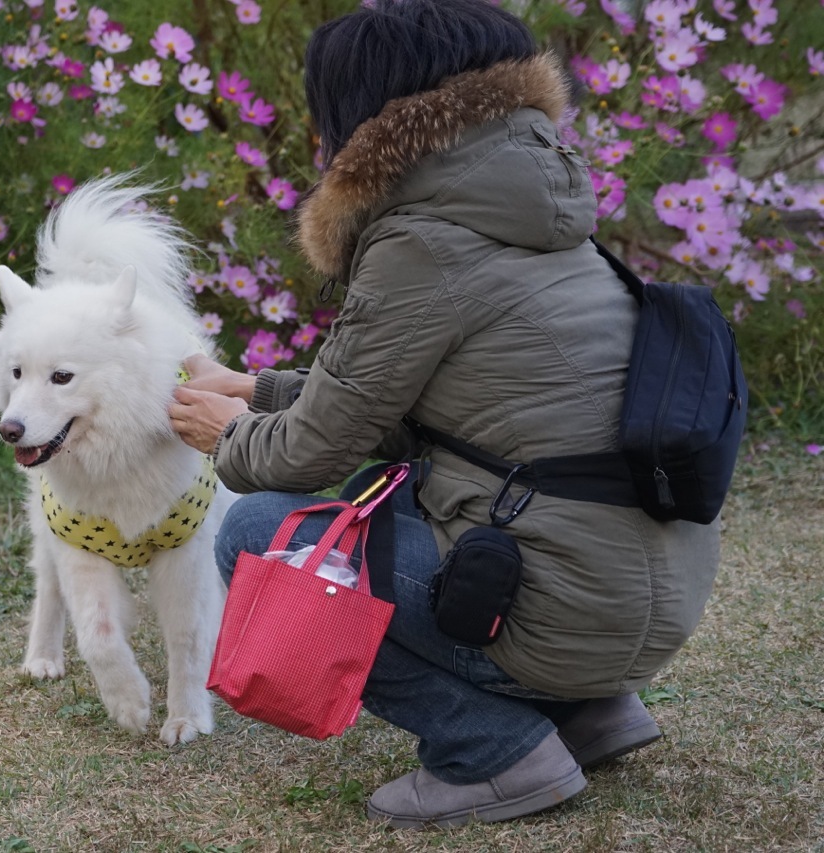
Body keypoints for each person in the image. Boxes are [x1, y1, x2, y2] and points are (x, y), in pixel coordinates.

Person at [168, 0, 720, 830]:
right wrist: (260, 389)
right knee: (441, 494)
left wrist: (230, 438)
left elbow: (308, 456)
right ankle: (590, 712)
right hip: (644, 601)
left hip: (562, 608)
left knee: (263, 533)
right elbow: (416, 409)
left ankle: (495, 749)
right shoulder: (532, 212)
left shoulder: (423, 241)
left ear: (357, 111)